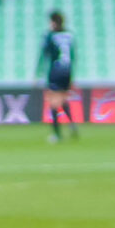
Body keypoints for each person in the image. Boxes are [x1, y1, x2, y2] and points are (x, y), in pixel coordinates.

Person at [34, 10, 77, 142]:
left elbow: (44, 55)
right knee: (63, 100)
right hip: (67, 71)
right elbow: (73, 56)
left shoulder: (50, 35)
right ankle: (71, 124)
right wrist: (72, 76)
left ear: (53, 22)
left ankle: (57, 135)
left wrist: (38, 73)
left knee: (53, 102)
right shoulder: (69, 35)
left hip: (55, 70)